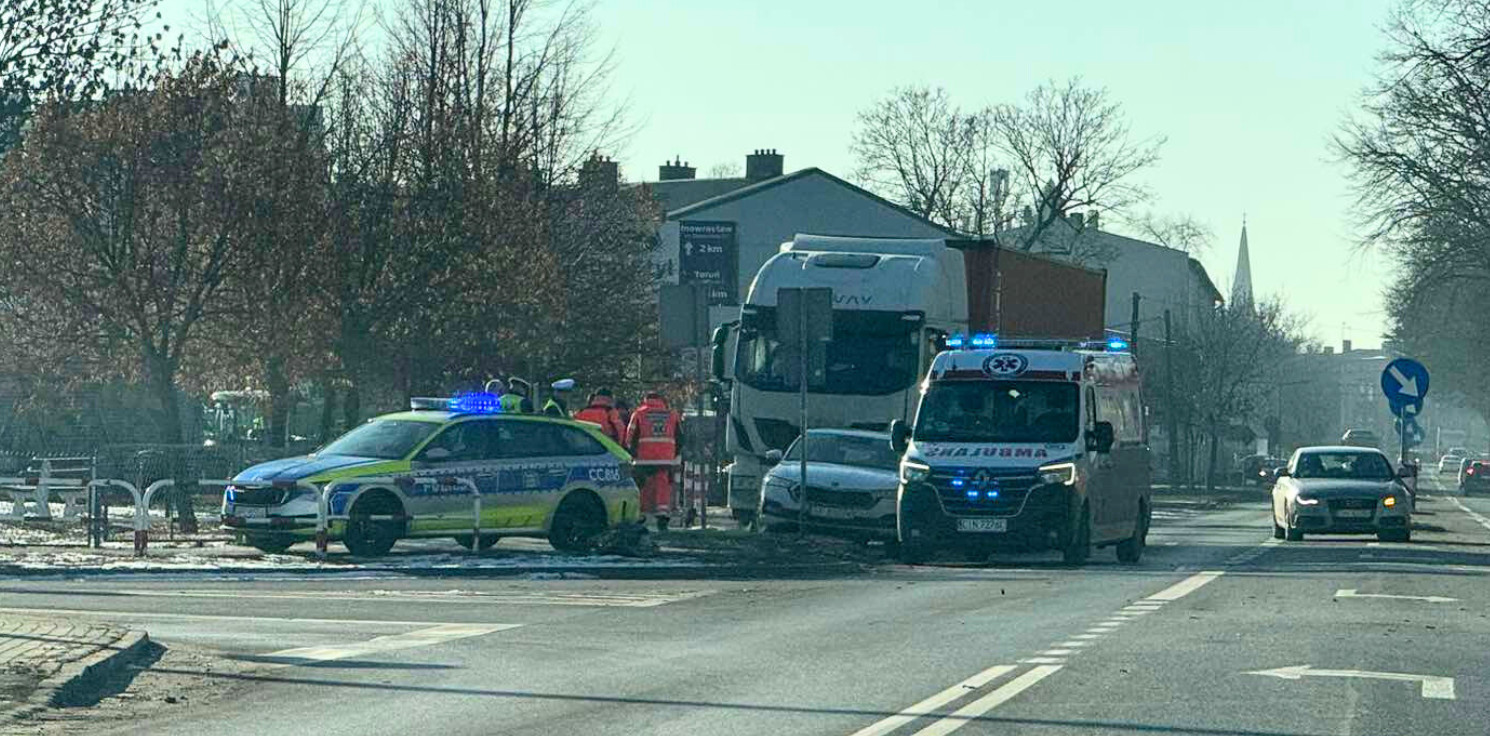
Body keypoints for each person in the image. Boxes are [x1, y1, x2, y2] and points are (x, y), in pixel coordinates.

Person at [627, 391, 682, 532]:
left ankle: (639, 515)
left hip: (642, 460)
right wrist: (673, 454)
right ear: (662, 400)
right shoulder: (672, 415)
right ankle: (662, 516)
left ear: (646, 400)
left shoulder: (639, 414)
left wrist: (632, 454)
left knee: (640, 488)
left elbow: (630, 437)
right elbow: (680, 438)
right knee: (662, 487)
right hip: (665, 459)